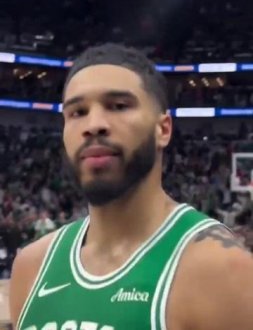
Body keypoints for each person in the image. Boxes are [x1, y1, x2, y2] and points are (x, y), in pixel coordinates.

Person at [10, 44, 253, 330]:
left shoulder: (221, 270)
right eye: (78, 112)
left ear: (163, 129)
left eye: (119, 106)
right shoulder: (31, 266)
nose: (94, 124)